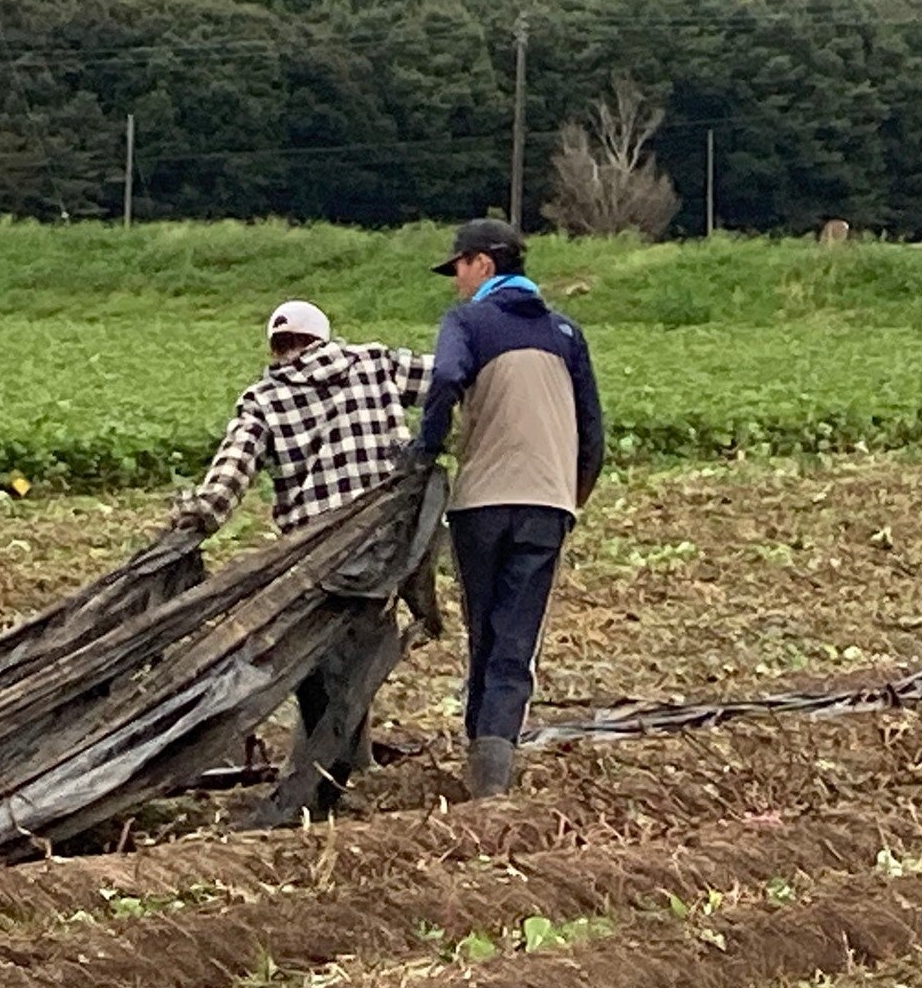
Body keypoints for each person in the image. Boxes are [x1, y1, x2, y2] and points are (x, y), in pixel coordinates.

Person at [172, 299, 434, 825]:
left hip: (315, 557)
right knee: (360, 656)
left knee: (317, 664)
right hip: (384, 550)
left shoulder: (264, 400)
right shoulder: (374, 363)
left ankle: (329, 774)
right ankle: (339, 768)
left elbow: (227, 483)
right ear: (324, 337)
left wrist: (189, 520)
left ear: (275, 348)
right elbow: (450, 379)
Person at [416, 219, 604, 798]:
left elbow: (447, 375)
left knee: (485, 628)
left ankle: (482, 757)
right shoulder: (565, 332)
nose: (456, 281)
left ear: (483, 264)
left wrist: (424, 449)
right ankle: (493, 764)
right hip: (547, 502)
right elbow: (592, 431)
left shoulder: (467, 322)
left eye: (459, 268)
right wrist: (571, 495)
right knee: (516, 635)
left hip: (481, 503)